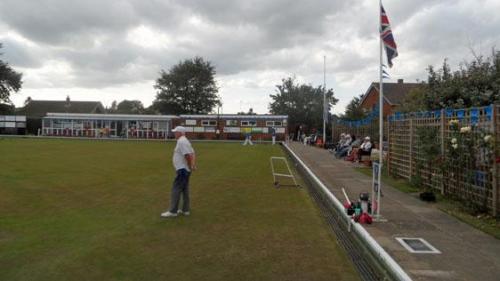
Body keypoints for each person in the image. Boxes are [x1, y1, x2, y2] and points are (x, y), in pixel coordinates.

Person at [161, 126, 196, 218]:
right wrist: (192, 165)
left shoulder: (182, 141)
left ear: (180, 133)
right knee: (185, 190)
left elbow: (188, 155)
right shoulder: (184, 140)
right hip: (184, 169)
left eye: (176, 132)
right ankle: (185, 210)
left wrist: (190, 165)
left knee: (176, 189)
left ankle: (173, 211)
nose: (174, 133)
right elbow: (192, 153)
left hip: (182, 170)